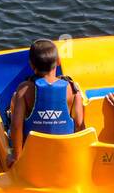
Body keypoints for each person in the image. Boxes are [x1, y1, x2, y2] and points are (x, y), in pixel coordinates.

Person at [8, 39, 85, 167]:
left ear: (32, 65)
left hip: (34, 153)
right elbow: (79, 125)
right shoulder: (72, 89)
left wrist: (17, 158)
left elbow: (16, 126)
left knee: (15, 98)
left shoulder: (24, 90)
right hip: (62, 153)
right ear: (59, 62)